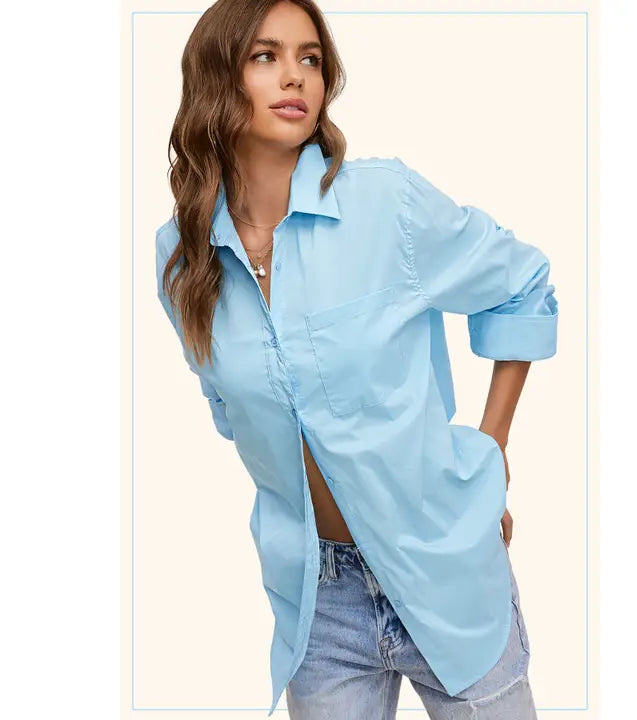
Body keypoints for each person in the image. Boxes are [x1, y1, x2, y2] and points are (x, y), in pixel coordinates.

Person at [155, 1, 558, 718]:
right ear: (217, 77)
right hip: (318, 601)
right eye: (266, 56)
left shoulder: (385, 203)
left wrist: (492, 453)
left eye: (310, 58)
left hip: (443, 567)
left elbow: (522, 284)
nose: (295, 77)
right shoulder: (183, 258)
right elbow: (227, 403)